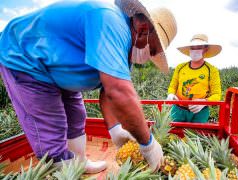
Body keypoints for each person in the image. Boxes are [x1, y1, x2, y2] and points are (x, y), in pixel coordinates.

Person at [0, 0, 177, 173]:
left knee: (77, 115)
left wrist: (116, 130)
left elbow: (108, 93)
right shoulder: (111, 22)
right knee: (51, 126)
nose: (149, 57)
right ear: (143, 29)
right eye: (153, 50)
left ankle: (79, 162)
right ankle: (60, 171)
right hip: (25, 57)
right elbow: (118, 92)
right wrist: (148, 144)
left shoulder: (126, 51)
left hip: (58, 69)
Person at [166, 34, 221, 123]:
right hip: (178, 110)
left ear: (205, 49)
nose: (195, 50)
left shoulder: (212, 70)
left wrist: (204, 102)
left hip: (200, 112)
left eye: (199, 47)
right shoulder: (180, 67)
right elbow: (173, 85)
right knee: (173, 134)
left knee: (195, 136)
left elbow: (217, 95)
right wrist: (171, 94)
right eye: (192, 47)